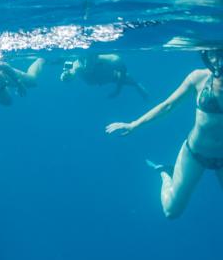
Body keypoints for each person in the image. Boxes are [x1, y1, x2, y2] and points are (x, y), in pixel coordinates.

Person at [106, 50, 223, 218]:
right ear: (207, 56)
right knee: (170, 211)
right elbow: (167, 106)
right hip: (195, 153)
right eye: (214, 54)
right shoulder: (199, 78)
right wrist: (134, 124)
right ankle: (166, 173)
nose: (218, 59)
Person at [60, 53, 148, 98]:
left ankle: (139, 86)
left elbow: (123, 75)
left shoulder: (114, 60)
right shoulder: (78, 65)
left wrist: (117, 91)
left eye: (89, 60)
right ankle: (138, 86)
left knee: (133, 82)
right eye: (83, 60)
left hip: (112, 77)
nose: (86, 64)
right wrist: (67, 75)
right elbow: (71, 72)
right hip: (97, 80)